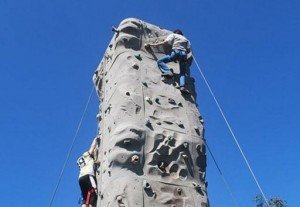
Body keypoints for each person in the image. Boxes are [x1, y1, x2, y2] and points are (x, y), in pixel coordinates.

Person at [77, 137, 100, 207]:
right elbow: (92, 146)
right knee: (93, 192)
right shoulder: (87, 156)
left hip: (81, 179)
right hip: (88, 176)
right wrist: (96, 139)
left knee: (85, 197)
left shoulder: (81, 162)